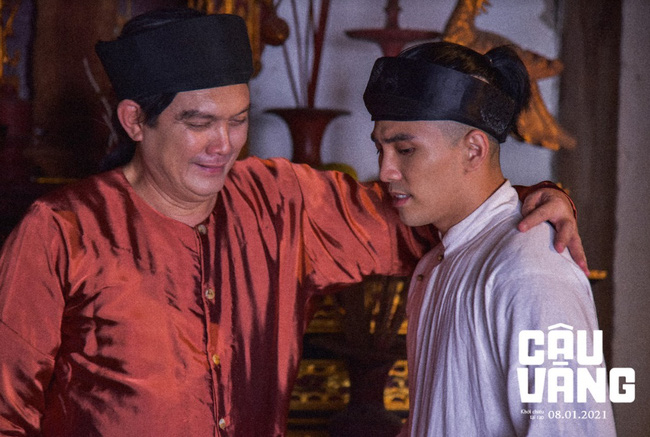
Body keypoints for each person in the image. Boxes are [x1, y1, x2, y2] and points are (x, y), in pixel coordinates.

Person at [0, 8, 583, 436]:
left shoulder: (280, 203)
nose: (224, 144)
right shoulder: (60, 230)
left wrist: (533, 199)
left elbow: (433, 210)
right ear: (135, 121)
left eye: (238, 120)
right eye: (199, 123)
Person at [363, 41, 616, 436]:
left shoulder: (531, 272)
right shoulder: (437, 261)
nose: (385, 171)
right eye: (380, 149)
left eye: (405, 149)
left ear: (473, 150)